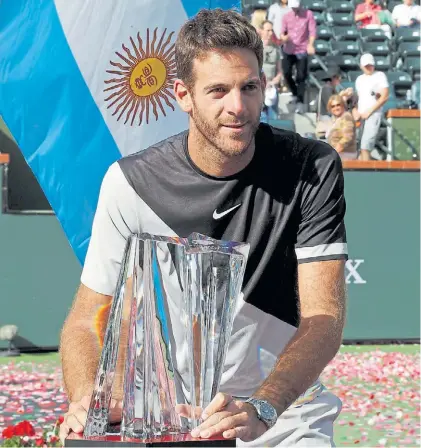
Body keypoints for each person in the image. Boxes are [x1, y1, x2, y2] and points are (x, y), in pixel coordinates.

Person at [59, 8, 347, 447]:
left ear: (263, 86)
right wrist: (87, 398)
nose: (238, 106)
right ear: (182, 95)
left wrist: (263, 407)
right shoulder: (130, 182)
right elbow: (84, 321)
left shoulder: (312, 165)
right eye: (218, 90)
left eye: (248, 87)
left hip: (286, 413)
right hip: (184, 417)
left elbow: (323, 317)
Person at [279, 0, 317, 114]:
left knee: (301, 76)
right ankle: (295, 93)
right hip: (289, 49)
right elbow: (282, 33)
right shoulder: (286, 16)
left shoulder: (308, 14)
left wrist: (310, 45)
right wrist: (284, 38)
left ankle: (300, 100)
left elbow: (312, 32)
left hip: (302, 49)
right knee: (286, 73)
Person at [353, 53, 389, 161]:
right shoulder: (359, 79)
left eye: (370, 65)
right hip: (360, 116)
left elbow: (384, 96)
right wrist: (356, 111)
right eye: (366, 65)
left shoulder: (380, 76)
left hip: (373, 114)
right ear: (361, 66)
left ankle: (366, 172)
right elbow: (358, 98)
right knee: (359, 146)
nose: (369, 67)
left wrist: (370, 111)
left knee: (365, 146)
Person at [260, 20, 283, 121]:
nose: (270, 33)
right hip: (259, 87)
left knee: (273, 117)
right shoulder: (255, 48)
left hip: (272, 88)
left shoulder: (276, 49)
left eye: (272, 30)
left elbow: (279, 71)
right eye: (268, 30)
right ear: (261, 31)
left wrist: (274, 81)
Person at [326, 95, 357, 160]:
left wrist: (334, 153)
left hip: (346, 153)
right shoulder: (334, 119)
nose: (336, 108)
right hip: (337, 153)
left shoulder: (346, 116)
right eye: (333, 106)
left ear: (343, 105)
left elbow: (347, 137)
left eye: (338, 105)